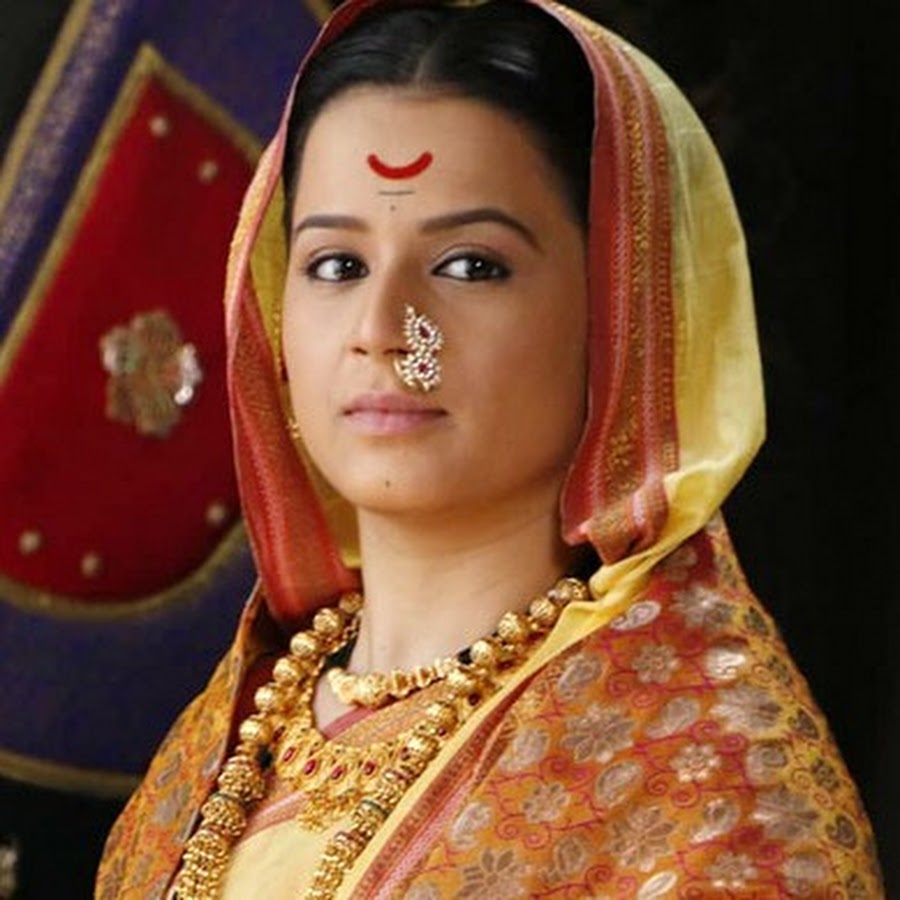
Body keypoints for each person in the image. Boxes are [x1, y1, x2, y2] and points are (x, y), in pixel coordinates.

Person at [95, 0, 883, 896]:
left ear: (621, 312)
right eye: (337, 265)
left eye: (471, 265)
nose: (383, 329)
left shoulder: (707, 793)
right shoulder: (231, 738)